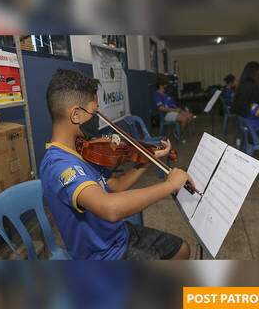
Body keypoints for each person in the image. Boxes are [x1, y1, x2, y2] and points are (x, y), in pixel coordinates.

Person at [40, 69, 192, 260]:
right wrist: (169, 185)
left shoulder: (82, 149)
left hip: (118, 234)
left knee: (182, 250)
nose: (97, 117)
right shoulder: (59, 166)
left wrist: (147, 159)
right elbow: (110, 208)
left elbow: (116, 185)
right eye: (94, 111)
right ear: (76, 115)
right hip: (102, 256)